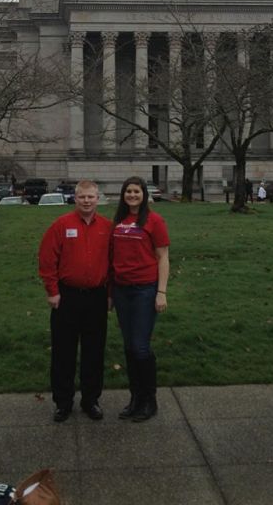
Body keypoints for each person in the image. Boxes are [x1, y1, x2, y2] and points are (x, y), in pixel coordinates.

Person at [38, 179, 112, 423]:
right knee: (63, 352)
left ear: (97, 198)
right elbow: (47, 259)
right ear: (75, 198)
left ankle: (91, 400)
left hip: (97, 297)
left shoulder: (107, 227)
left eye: (91, 197)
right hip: (67, 297)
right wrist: (52, 291)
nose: (87, 201)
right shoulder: (61, 225)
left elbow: (113, 264)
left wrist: (110, 294)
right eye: (82, 197)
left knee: (94, 352)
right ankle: (63, 402)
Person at [111, 177, 170, 422]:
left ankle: (149, 399)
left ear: (144, 194)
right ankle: (135, 398)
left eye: (136, 191)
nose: (132, 195)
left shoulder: (154, 220)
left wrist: (161, 291)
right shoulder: (118, 221)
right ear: (123, 195)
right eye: (128, 191)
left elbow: (163, 257)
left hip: (145, 289)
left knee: (140, 346)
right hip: (122, 290)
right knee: (128, 346)